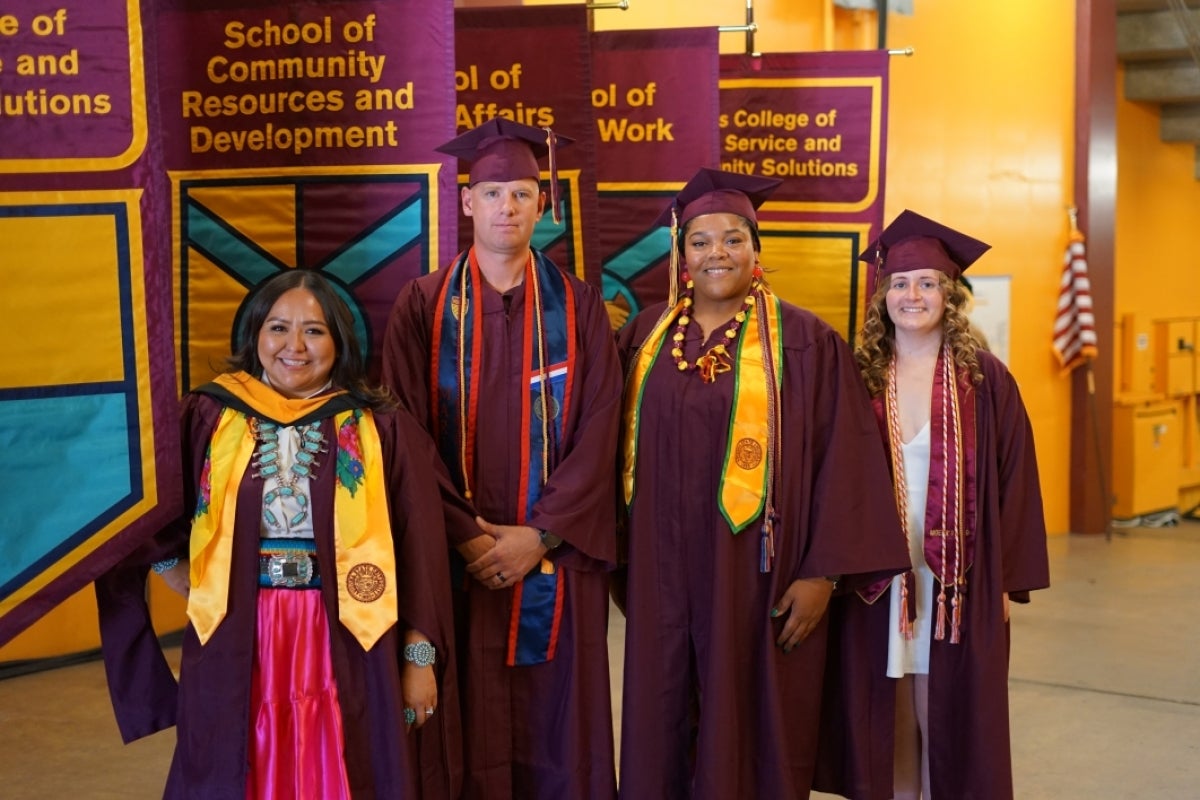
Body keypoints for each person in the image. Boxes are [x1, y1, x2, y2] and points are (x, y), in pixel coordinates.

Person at [94, 269, 457, 799]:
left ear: (339, 340)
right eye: (278, 327)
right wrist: (182, 577)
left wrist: (418, 659)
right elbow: (149, 518)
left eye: (314, 330)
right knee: (235, 762)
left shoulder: (380, 427)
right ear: (255, 336)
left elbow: (422, 549)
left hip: (348, 631)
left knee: (341, 759)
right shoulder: (210, 414)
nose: (294, 346)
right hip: (240, 626)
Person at [615, 168, 910, 799]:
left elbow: (848, 462)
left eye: (732, 239)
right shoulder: (644, 337)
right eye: (700, 241)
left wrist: (823, 575)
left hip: (757, 573)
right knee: (659, 715)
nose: (716, 253)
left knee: (750, 724)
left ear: (757, 250)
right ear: (681, 253)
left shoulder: (806, 343)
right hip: (660, 572)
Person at [381, 119, 622, 799]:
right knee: (459, 712)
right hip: (453, 558)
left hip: (555, 557)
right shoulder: (422, 306)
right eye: (492, 193)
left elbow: (601, 426)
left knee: (556, 723)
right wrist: (465, 537)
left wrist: (539, 535)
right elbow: (404, 430)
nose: (506, 208)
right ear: (466, 202)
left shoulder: (579, 307)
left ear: (543, 205)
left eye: (521, 193)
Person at [816, 210, 1050, 800]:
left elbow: (1015, 480)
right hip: (875, 575)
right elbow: (825, 476)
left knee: (947, 712)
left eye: (926, 283)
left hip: (957, 580)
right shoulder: (857, 377)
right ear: (882, 296)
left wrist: (1003, 581)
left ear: (949, 295)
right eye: (898, 283)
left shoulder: (985, 381)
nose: (911, 295)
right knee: (885, 715)